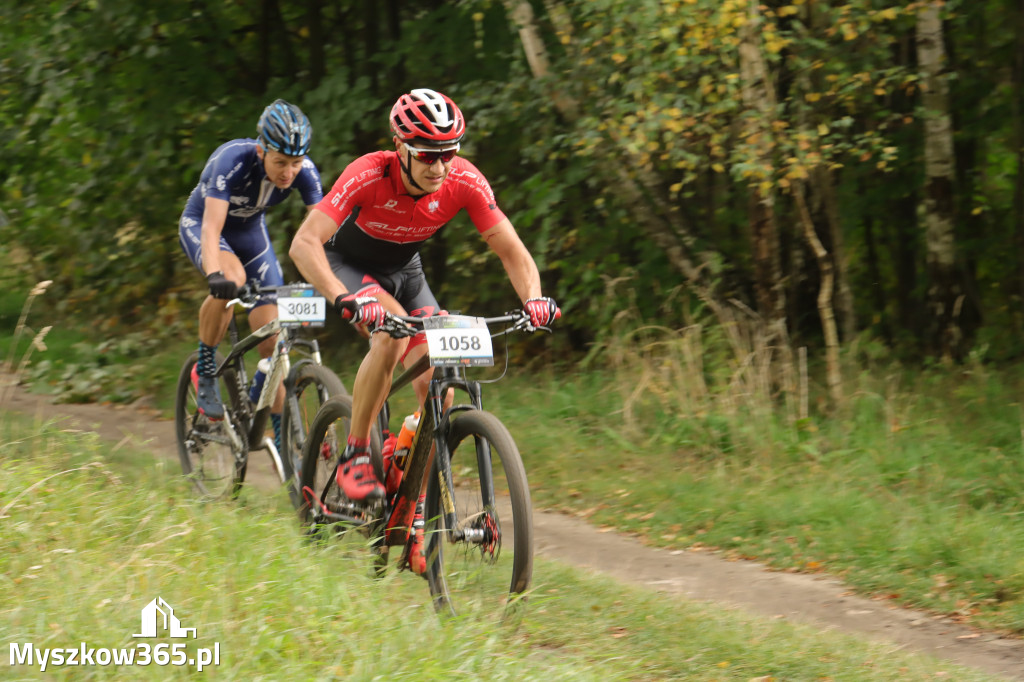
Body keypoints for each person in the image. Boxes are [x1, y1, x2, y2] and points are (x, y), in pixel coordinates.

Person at [289, 87, 558, 571]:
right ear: (400, 148)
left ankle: (408, 510)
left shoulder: (465, 181)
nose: (440, 166)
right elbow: (305, 243)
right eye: (428, 155)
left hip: (407, 274)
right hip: (350, 268)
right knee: (391, 336)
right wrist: (342, 298)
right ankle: (355, 452)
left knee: (441, 389)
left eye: (449, 154)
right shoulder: (368, 173)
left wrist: (534, 300)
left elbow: (512, 250)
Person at [179, 99, 323, 456]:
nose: (289, 172)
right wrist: (215, 275)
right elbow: (212, 230)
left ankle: (281, 440)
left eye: (296, 163)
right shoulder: (231, 160)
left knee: (274, 342)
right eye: (280, 162)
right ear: (261, 150)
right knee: (233, 279)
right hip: (205, 226)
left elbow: (322, 234)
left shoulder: (306, 173)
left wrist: (332, 281)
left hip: (251, 236)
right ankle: (207, 367)